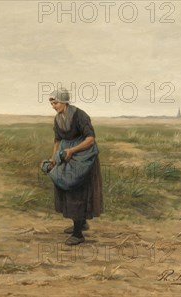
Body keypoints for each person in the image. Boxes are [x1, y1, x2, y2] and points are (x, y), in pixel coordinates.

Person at [44, 88, 103, 245]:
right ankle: (81, 223)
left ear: (64, 101)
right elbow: (57, 140)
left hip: (83, 157)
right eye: (51, 103)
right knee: (66, 188)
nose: (53, 106)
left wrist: (72, 150)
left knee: (78, 192)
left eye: (55, 102)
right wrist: (53, 159)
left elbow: (90, 139)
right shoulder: (58, 119)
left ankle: (78, 234)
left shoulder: (79, 115)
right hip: (66, 155)